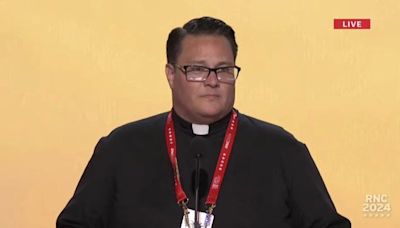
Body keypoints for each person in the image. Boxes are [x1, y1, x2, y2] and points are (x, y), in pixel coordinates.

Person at [57, 16, 351, 228]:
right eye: (197, 70)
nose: (213, 81)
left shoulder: (282, 149)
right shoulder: (121, 148)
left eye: (223, 70)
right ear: (171, 74)